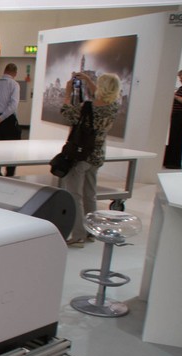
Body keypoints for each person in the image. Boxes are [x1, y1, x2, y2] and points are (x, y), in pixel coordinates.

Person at [59, 72, 121, 247]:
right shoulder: (113, 107)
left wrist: (67, 93)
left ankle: (78, 235)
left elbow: (66, 112)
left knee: (75, 195)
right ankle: (91, 231)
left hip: (81, 155)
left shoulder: (87, 107)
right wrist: (87, 80)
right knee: (90, 194)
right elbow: (101, 96)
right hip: (97, 155)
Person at [162, 68, 182, 169]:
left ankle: (174, 163)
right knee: (173, 138)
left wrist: (175, 96)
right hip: (176, 116)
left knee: (176, 139)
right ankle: (169, 161)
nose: (180, 80)